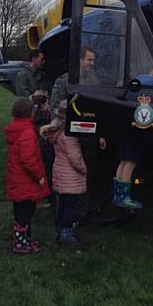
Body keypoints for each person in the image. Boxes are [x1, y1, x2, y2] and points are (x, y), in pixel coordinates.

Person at [5, 98, 51, 254]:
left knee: (21, 212)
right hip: (26, 181)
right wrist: (40, 176)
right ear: (31, 113)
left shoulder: (17, 129)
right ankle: (21, 243)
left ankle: (24, 239)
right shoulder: (27, 133)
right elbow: (28, 159)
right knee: (25, 213)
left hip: (18, 180)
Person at [40, 101, 87, 247]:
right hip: (71, 176)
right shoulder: (69, 136)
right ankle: (67, 234)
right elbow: (75, 158)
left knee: (63, 204)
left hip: (60, 172)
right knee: (70, 206)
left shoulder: (57, 130)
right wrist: (84, 169)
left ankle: (60, 229)